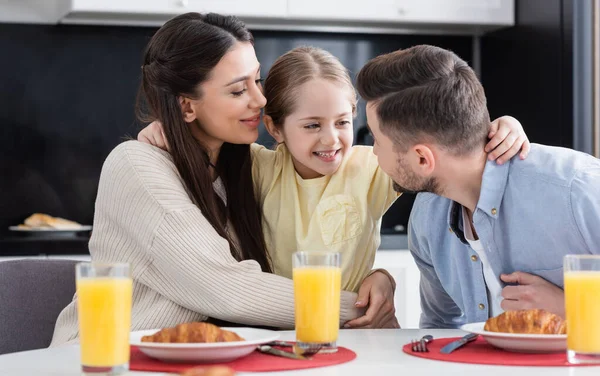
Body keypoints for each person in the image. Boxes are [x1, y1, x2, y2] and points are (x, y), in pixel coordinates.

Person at [137, 32, 531, 328]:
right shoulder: (255, 168)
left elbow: (444, 148)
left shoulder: (371, 166)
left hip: (362, 329)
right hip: (282, 332)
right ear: (274, 127)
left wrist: (502, 125)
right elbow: (195, 146)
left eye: (342, 122)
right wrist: (163, 131)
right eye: (311, 125)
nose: (331, 139)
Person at [50, 13, 395, 345]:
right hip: (104, 364)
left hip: (197, 363)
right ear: (187, 107)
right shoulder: (135, 167)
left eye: (256, 81)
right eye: (237, 90)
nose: (260, 100)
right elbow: (226, 287)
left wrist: (378, 278)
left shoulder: (242, 169)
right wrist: (362, 309)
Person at [356, 44, 600, 328]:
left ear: (423, 158)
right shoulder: (427, 220)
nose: (373, 152)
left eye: (377, 140)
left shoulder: (577, 190)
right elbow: (440, 329)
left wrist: (571, 308)